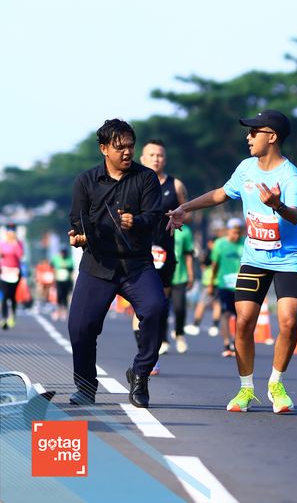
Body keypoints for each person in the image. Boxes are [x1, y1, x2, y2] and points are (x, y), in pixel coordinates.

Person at [168, 109, 297, 414]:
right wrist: (184, 208)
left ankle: (276, 384)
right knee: (243, 321)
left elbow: (294, 216)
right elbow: (220, 194)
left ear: (272, 137)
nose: (248, 137)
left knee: (288, 321)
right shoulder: (245, 168)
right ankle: (246, 388)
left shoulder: (291, 175)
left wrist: (277, 205)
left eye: (254, 132)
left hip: (288, 258)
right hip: (255, 256)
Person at [68, 118, 166, 408]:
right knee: (80, 327)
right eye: (119, 147)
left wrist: (136, 221)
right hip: (98, 265)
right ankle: (85, 387)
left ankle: (140, 374)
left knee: (156, 309)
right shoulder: (86, 181)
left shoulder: (146, 178)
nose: (127, 152)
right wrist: (79, 237)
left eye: (130, 146)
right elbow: (77, 220)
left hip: (137, 265)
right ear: (104, 149)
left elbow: (155, 216)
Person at [134, 139, 188, 372]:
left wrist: (180, 217)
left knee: (158, 305)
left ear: (165, 159)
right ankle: (146, 356)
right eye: (152, 155)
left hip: (165, 253)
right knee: (140, 305)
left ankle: (152, 350)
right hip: (138, 252)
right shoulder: (134, 183)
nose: (156, 159)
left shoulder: (176, 185)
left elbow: (187, 210)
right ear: (142, 158)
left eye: (160, 155)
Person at [208, 218, 244, 357]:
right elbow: (215, 264)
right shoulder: (220, 244)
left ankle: (237, 342)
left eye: (239, 232)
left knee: (241, 316)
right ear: (228, 231)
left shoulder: (245, 243)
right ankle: (227, 342)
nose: (236, 235)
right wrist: (211, 283)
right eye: (234, 232)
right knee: (226, 314)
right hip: (224, 284)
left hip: (241, 285)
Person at [185, 235, 221, 337]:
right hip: (218, 281)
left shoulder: (212, 252)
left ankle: (196, 324)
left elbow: (205, 265)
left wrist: (210, 283)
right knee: (216, 304)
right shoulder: (219, 252)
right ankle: (215, 325)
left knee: (202, 303)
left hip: (209, 282)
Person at [170, 225, 195, 353]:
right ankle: (163, 340)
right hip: (161, 275)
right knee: (161, 310)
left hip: (179, 276)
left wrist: (190, 274)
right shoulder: (157, 225)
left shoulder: (185, 231)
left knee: (179, 308)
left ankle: (179, 334)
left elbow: (188, 253)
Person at [0, 224, 24, 329]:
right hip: (4, 272)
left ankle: (12, 316)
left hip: (15, 273)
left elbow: (20, 255)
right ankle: (4, 318)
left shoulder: (19, 244)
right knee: (5, 296)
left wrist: (15, 243)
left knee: (12, 296)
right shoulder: (2, 244)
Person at [50, 247, 74, 321]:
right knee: (59, 297)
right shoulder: (56, 259)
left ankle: (65, 313)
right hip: (58, 281)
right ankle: (58, 312)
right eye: (62, 252)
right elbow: (52, 266)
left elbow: (71, 269)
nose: (63, 254)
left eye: (64, 252)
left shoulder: (69, 259)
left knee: (65, 297)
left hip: (66, 281)